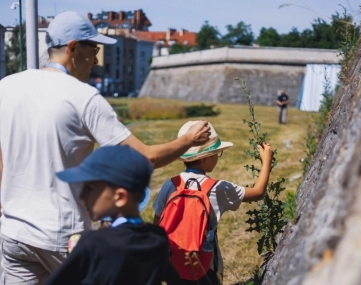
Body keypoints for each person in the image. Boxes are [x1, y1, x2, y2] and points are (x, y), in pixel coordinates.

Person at [0, 11, 210, 284]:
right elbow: (144, 159)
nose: (97, 59)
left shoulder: (7, 86)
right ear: (73, 47)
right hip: (62, 234)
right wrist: (187, 141)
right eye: (94, 49)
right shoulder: (82, 96)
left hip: (13, 233)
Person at [153, 121, 273, 285]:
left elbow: (157, 224)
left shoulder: (170, 185)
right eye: (217, 153)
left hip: (173, 263)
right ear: (207, 158)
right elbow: (258, 192)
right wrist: (266, 161)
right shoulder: (218, 189)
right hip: (205, 266)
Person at [45, 145, 180, 285]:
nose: (81, 196)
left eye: (89, 189)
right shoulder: (157, 238)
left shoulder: (93, 244)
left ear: (120, 197)